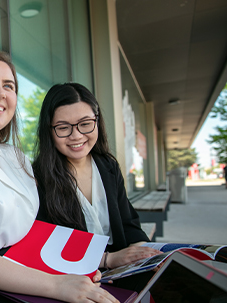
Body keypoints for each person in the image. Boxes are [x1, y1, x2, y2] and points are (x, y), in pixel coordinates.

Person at [0, 52, 118, 303]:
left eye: (9, 86)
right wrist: (57, 285)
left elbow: (34, 230)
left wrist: (90, 262)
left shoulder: (14, 156)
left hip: (31, 274)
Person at [32, 83, 161, 273]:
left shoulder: (108, 166)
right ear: (49, 130)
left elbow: (128, 224)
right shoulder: (37, 177)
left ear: (97, 122)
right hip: (73, 276)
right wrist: (107, 259)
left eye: (85, 124)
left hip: (121, 268)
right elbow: (45, 243)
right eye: (63, 127)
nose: (76, 136)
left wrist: (147, 254)